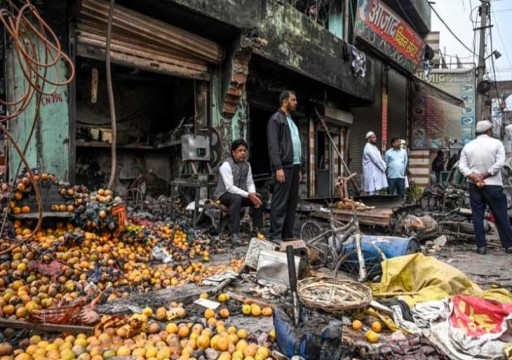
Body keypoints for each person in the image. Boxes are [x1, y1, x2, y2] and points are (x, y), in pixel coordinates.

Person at [459, 120, 512, 255]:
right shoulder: (496, 144)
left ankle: (481, 247)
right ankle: (508, 245)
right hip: (494, 185)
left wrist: (474, 176)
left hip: (474, 186)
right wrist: (485, 174)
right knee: (501, 215)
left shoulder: (468, 146)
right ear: (489, 131)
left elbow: (462, 166)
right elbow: (500, 163)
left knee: (477, 216)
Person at [214, 139, 263, 246]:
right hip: (223, 194)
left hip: (240, 193)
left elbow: (250, 182)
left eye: (244, 151)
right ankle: (234, 234)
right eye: (240, 150)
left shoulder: (247, 165)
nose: (243, 153)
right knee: (236, 198)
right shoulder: (226, 165)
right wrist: (248, 195)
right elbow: (230, 187)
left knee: (259, 197)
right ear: (233, 152)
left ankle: (256, 230)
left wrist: (253, 194)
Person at [267, 90, 301, 242]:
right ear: (285, 101)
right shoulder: (276, 120)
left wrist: (300, 167)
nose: (296, 102)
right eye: (293, 100)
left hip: (294, 166)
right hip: (284, 166)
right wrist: (278, 167)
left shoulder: (291, 121)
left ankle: (287, 234)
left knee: (292, 202)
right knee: (280, 201)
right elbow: (273, 146)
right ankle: (275, 235)